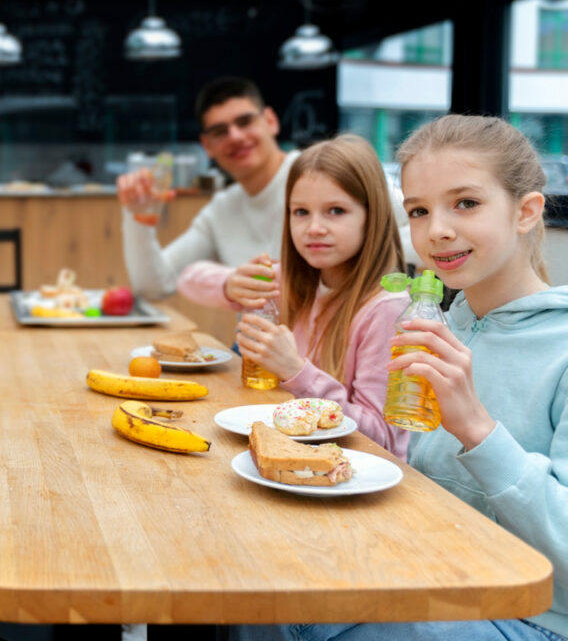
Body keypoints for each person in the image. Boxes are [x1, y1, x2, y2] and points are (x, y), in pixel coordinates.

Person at [233, 115, 568, 641]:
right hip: (427, 573)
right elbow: (406, 476)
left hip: (532, 615)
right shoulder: (434, 325)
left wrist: (478, 430)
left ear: (526, 212)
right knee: (254, 575)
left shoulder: (561, 346)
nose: (437, 229)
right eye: (419, 210)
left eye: (466, 203)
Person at [119, 77, 414, 310]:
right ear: (207, 146)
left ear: (270, 121)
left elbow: (424, 226)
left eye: (245, 121)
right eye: (220, 131)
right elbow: (155, 286)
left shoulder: (324, 173)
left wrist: (369, 244)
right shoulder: (221, 210)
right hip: (266, 356)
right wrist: (138, 217)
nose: (235, 136)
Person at [205, 135, 411, 456]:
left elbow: (382, 440)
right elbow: (190, 280)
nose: (314, 228)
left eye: (336, 211)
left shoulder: (387, 310)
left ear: (373, 217)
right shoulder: (288, 281)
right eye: (301, 212)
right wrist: (233, 286)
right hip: (289, 459)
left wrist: (295, 371)